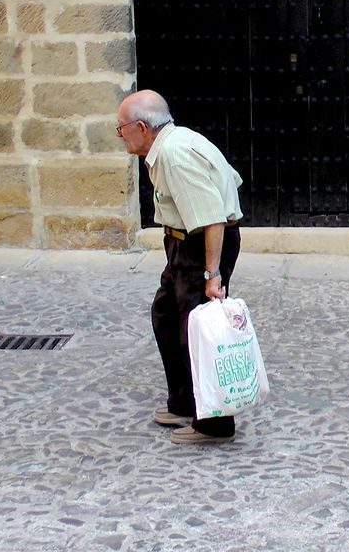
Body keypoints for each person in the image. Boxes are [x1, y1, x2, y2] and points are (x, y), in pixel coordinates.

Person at [116, 89, 244, 444]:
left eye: (121, 127)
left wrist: (212, 275)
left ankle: (215, 424)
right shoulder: (175, 142)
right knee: (166, 315)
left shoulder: (173, 154)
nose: (119, 134)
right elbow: (231, 179)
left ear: (141, 126)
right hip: (183, 242)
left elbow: (213, 217)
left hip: (199, 245)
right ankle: (185, 402)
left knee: (200, 331)